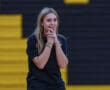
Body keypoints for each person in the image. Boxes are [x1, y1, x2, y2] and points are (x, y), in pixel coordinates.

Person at [26, 7, 69, 90]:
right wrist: (49, 42)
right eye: (49, 20)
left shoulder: (62, 40)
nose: (52, 23)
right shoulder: (33, 40)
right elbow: (41, 64)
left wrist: (56, 41)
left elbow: (63, 64)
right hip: (37, 85)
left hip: (56, 85)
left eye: (55, 20)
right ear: (42, 22)